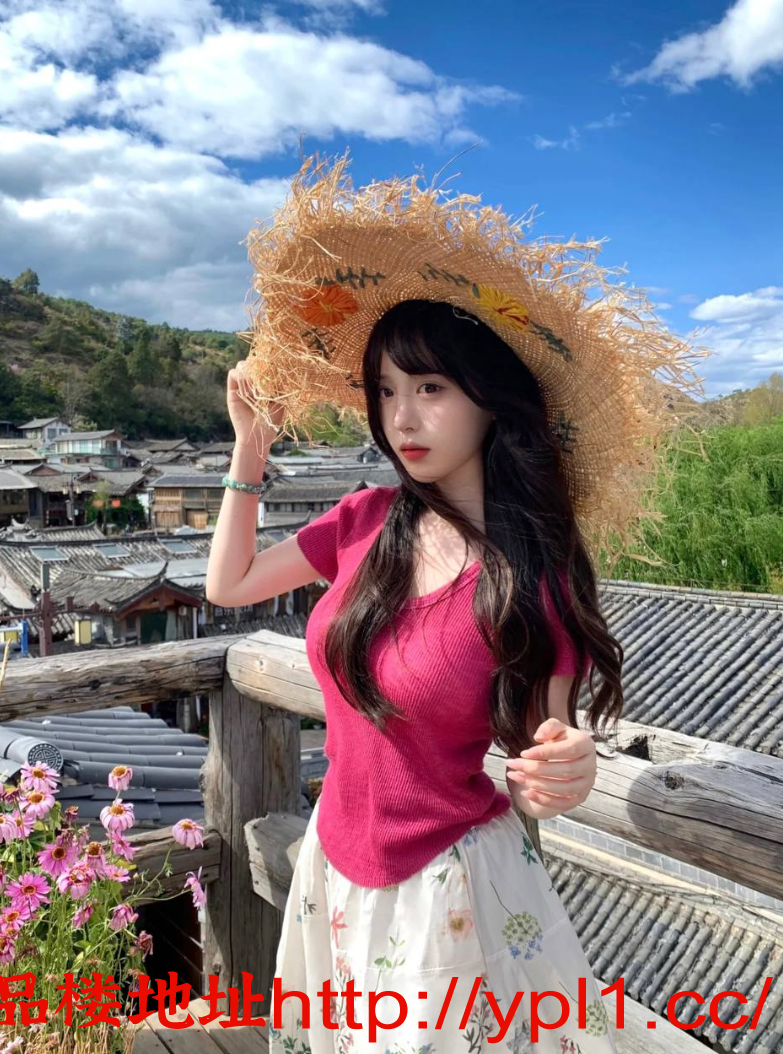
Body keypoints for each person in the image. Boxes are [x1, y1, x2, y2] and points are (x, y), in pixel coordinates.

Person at [206, 150, 706, 1052]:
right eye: (386, 391)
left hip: (447, 890)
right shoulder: (363, 521)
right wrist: (250, 448)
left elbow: (546, 752)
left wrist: (569, 766)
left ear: (489, 400)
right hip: (333, 864)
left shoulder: (531, 575)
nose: (401, 418)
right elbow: (229, 586)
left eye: (430, 389)